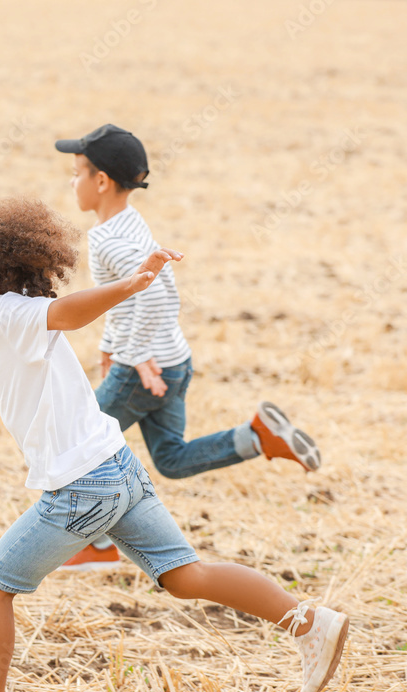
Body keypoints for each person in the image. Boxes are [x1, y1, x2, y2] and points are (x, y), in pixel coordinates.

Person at [0, 198, 347, 692]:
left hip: (81, 486)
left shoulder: (13, 314)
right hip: (117, 467)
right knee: (187, 576)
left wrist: (129, 285)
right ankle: (307, 621)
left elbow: (66, 313)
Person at [52, 124, 321, 571]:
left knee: (82, 443)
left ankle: (96, 544)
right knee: (172, 459)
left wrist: (133, 356)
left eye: (77, 172)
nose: (72, 181)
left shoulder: (111, 239)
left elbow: (156, 295)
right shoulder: (128, 224)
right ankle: (256, 437)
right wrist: (111, 344)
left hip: (144, 369)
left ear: (101, 182)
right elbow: (128, 301)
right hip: (174, 361)